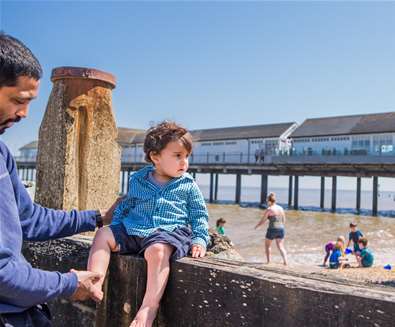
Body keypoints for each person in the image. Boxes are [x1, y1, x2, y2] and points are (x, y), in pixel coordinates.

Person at [0, 33, 119, 326]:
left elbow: (28, 219)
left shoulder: (1, 152)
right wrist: (68, 283)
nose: (24, 114)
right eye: (18, 100)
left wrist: (97, 218)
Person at [87, 121, 209, 327]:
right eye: (177, 155)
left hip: (168, 231)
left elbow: (199, 215)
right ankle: (94, 280)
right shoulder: (139, 179)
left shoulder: (188, 184)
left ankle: (148, 307)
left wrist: (200, 239)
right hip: (134, 228)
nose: (184, 162)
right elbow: (127, 205)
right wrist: (116, 227)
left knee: (158, 251)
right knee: (103, 235)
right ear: (155, 157)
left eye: (186, 156)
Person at [254, 192, 287, 265]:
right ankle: (285, 261)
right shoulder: (281, 208)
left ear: (269, 201)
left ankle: (268, 262)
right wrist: (281, 227)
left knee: (267, 245)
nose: (267, 203)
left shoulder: (269, 209)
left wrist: (257, 226)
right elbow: (284, 219)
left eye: (267, 201)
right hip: (281, 229)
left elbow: (263, 220)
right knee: (281, 246)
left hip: (272, 229)